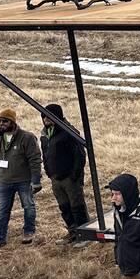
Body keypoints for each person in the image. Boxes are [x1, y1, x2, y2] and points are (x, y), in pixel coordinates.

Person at [0, 108, 42, 250]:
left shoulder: (27, 137)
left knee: (28, 206)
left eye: (5, 120)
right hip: (4, 181)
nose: (2, 123)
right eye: (0, 121)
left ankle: (29, 232)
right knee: (2, 210)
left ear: (13, 121)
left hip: (24, 180)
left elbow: (35, 159)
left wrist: (36, 180)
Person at [41, 104, 89, 245]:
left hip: (70, 178)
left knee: (77, 207)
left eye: (49, 116)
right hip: (55, 179)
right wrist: (49, 173)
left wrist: (74, 176)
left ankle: (84, 235)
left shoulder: (69, 132)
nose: (45, 119)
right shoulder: (44, 135)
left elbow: (80, 156)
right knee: (64, 208)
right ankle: (73, 233)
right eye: (44, 117)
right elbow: (45, 155)